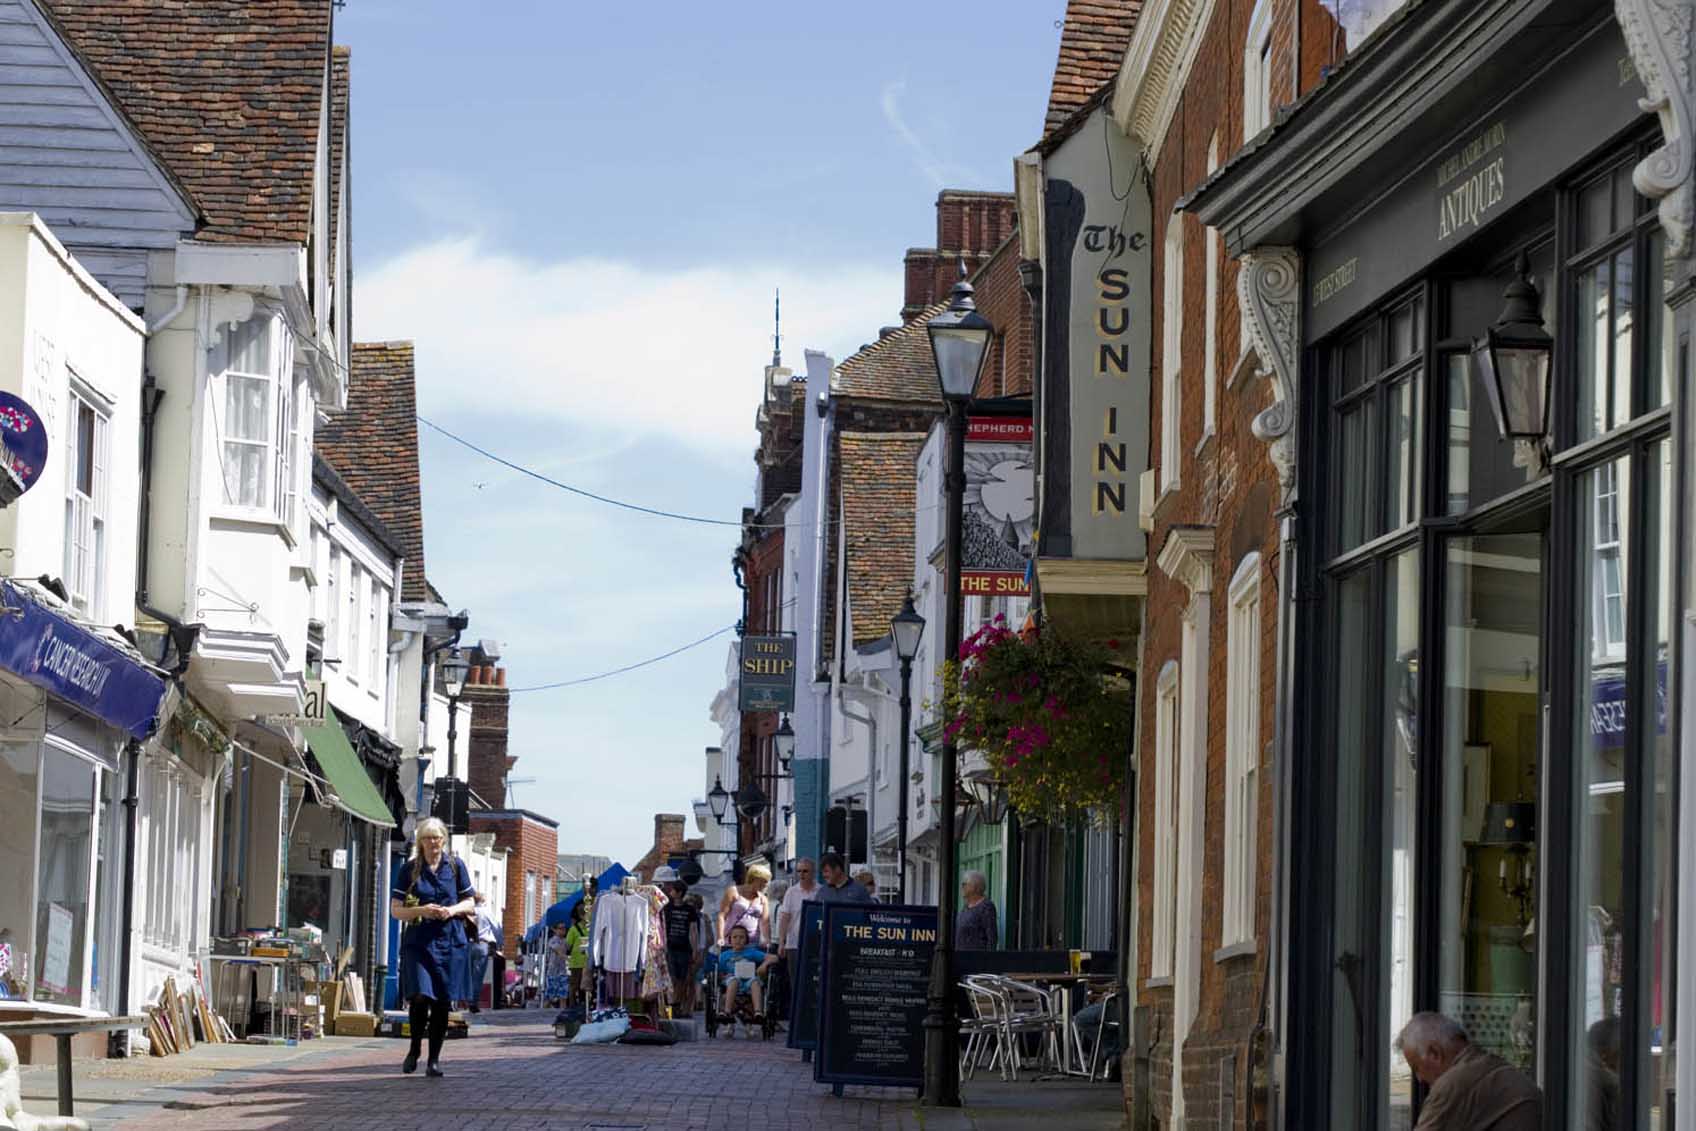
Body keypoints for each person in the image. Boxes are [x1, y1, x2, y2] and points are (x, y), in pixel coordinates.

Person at [390, 816, 474, 1078]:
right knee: (420, 996)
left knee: (441, 1001)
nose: (432, 843)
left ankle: (434, 1060)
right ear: (420, 842)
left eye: (437, 838)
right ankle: (414, 1049)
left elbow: (470, 902)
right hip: (419, 942)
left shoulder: (456, 866)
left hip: (450, 941)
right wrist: (422, 910)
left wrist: (451, 910)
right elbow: (396, 910)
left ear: (443, 840)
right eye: (427, 838)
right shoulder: (409, 869)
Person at [1396, 1012, 1541, 1129]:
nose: (1419, 1078)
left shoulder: (1452, 1086)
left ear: (1435, 1054)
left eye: (1416, 1068)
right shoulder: (1491, 1066)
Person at [655, 866, 700, 1012]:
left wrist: (695, 949)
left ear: (679, 893)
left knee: (683, 978)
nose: (670, 892)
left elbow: (693, 931)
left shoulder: (689, 910)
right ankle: (672, 1003)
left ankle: (678, 1003)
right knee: (672, 977)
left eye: (673, 890)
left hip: (684, 948)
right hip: (670, 948)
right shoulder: (666, 908)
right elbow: (662, 928)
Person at [717, 923, 775, 1020]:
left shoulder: (751, 952)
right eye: (735, 937)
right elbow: (720, 972)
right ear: (730, 939)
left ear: (746, 940)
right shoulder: (724, 955)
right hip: (732, 981)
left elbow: (774, 958)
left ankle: (758, 1012)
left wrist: (764, 965)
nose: (738, 940)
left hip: (749, 980)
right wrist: (722, 978)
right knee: (734, 980)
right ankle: (727, 1011)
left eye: (741, 937)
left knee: (755, 982)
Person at [717, 862, 772, 946]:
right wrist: (720, 937)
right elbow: (722, 916)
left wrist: (767, 940)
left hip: (753, 942)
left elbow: (765, 922)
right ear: (754, 878)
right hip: (733, 941)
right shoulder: (733, 892)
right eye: (764, 881)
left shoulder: (763, 899)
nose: (765, 885)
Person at [467, 891, 500, 1012]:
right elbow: (496, 928)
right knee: (478, 975)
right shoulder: (486, 912)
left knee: (467, 975)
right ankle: (473, 1002)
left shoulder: (469, 911)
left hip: (468, 944)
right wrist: (499, 943)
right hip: (482, 944)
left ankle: (462, 1000)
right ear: (483, 901)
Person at [956, 870, 999, 950]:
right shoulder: (965, 907)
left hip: (976, 959)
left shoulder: (986, 907)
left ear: (975, 886)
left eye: (965, 884)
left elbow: (992, 938)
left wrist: (987, 960)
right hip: (961, 958)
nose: (962, 887)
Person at [562, 900, 590, 1005]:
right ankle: (573, 1005)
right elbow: (567, 945)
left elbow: (567, 945)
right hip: (578, 962)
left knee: (582, 985)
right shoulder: (574, 929)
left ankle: (582, 1004)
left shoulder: (576, 929)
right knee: (575, 985)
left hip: (586, 962)